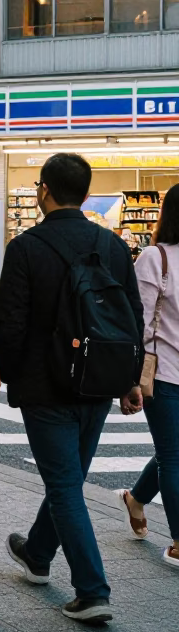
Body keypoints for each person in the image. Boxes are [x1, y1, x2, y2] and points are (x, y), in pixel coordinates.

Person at [0, 153, 142, 623]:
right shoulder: (114, 246)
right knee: (68, 478)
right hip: (98, 382)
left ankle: (92, 590)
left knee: (64, 485)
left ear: (44, 191)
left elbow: (11, 324)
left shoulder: (26, 247)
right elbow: (132, 320)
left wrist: (12, 374)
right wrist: (128, 381)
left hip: (45, 385)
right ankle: (37, 553)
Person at [117, 183, 179, 570]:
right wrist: (128, 378)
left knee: (172, 453)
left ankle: (136, 498)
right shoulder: (156, 259)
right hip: (165, 374)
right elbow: (135, 323)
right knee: (174, 456)